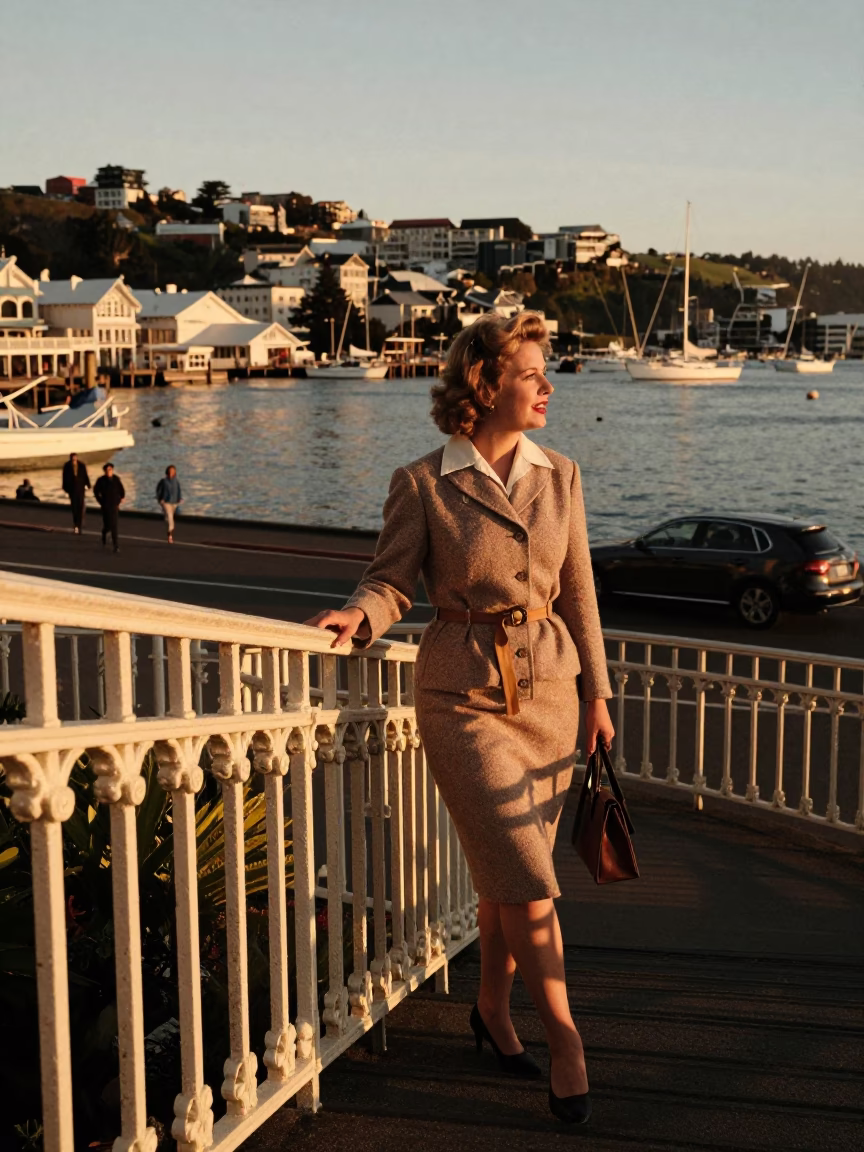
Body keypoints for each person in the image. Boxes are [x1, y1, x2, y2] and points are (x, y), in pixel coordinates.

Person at [307, 313, 614, 1126]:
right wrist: (359, 616)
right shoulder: (424, 482)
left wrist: (598, 696)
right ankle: (566, 1040)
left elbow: (580, 593)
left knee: (505, 879)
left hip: (547, 695)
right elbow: (391, 579)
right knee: (528, 879)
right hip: (461, 696)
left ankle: (491, 1010)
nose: (548, 387)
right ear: (485, 385)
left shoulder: (563, 476)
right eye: (531, 374)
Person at [93, 462, 125, 552]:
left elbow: (121, 490)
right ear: (104, 471)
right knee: (108, 525)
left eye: (110, 469)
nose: (109, 471)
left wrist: (121, 498)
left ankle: (116, 545)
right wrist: (100, 501)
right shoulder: (101, 480)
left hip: (114, 505)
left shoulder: (116, 479)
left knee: (114, 525)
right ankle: (104, 533)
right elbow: (96, 492)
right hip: (105, 505)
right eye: (107, 470)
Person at [61, 452, 91, 533]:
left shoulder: (81, 465)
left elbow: (85, 475)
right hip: (72, 489)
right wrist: (65, 488)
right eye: (72, 458)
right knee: (74, 507)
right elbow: (64, 477)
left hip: (80, 488)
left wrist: (88, 484)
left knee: (81, 506)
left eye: (75, 458)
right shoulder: (67, 466)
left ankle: (79, 523)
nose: (74, 459)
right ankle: (76, 523)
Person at [156, 464, 182, 542]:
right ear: (167, 472)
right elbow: (159, 490)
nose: (171, 473)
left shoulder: (176, 481)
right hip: (166, 502)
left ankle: (170, 528)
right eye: (170, 471)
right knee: (170, 517)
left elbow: (178, 490)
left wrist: (179, 498)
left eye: (173, 471)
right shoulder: (164, 481)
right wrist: (160, 499)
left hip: (174, 502)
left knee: (170, 517)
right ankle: (170, 533)